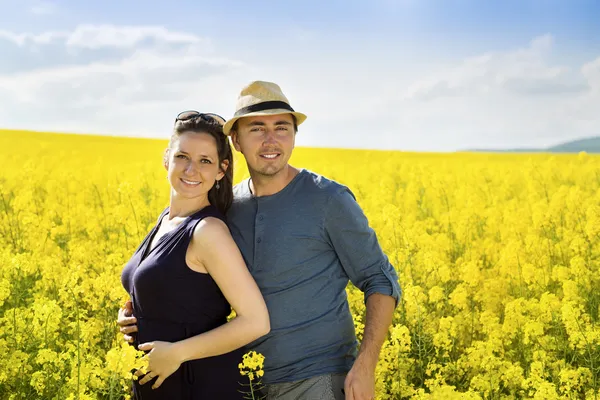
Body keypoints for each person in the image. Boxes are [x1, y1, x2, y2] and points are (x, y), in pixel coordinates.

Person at [119, 82, 401, 400]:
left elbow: (379, 279)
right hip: (242, 381)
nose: (271, 140)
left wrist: (365, 366)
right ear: (236, 140)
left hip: (315, 377)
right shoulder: (228, 206)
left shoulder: (328, 199)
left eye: (281, 128)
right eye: (257, 129)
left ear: (294, 136)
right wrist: (141, 312)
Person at [118, 111, 270, 400]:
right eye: (182, 157)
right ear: (166, 159)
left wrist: (177, 353)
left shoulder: (208, 231)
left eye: (205, 161)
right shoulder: (167, 219)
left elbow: (256, 321)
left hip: (198, 384)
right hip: (162, 384)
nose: (191, 170)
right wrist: (132, 316)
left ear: (221, 171)